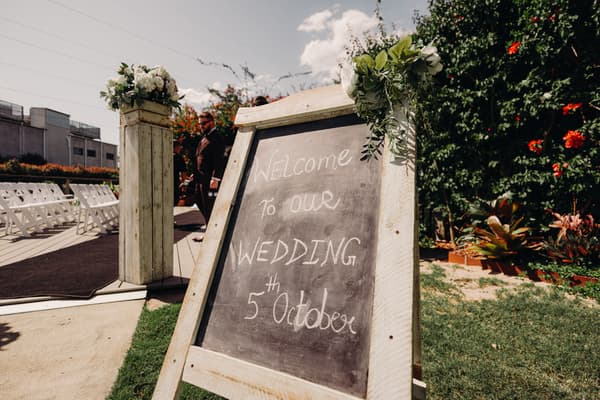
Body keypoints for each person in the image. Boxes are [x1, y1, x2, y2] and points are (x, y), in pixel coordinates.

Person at [193, 112, 226, 237]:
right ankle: (209, 227)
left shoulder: (217, 137)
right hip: (200, 178)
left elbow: (219, 160)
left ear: (211, 122)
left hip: (210, 181)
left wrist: (216, 178)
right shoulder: (204, 137)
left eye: (203, 123)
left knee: (210, 205)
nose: (201, 126)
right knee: (198, 200)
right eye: (200, 124)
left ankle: (211, 234)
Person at [173, 139, 187, 206]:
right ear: (177, 147)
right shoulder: (179, 158)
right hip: (175, 183)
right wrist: (184, 184)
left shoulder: (164, 156)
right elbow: (183, 173)